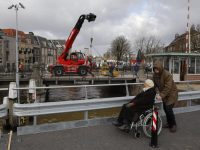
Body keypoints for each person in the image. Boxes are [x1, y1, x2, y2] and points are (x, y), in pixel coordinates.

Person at [153, 61, 178, 133]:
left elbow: (167, 87)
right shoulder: (155, 75)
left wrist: (161, 95)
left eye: (157, 69)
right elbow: (154, 84)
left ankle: (173, 124)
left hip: (171, 94)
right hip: (164, 95)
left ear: (160, 68)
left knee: (168, 109)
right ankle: (169, 123)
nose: (156, 71)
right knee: (166, 109)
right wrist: (150, 90)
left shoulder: (167, 75)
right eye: (155, 69)